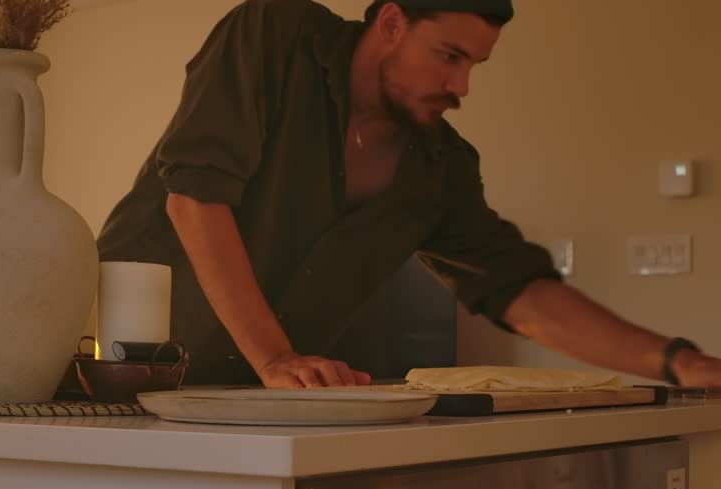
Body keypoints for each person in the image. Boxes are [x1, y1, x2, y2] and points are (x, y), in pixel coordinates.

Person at [95, 0, 721, 389]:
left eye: (475, 65)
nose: (462, 86)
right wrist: (278, 357)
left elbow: (519, 291)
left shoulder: (441, 167)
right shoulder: (274, 35)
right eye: (449, 56)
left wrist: (677, 362)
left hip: (252, 417)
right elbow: (194, 198)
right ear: (392, 21)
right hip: (113, 394)